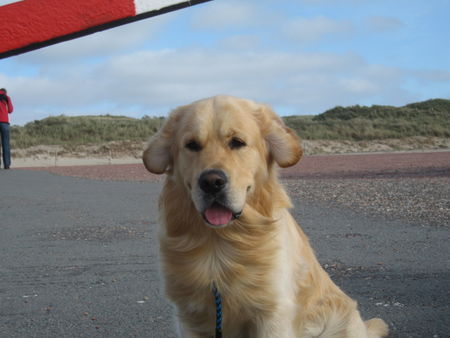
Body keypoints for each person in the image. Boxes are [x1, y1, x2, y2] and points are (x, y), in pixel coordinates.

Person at [0, 88, 13, 169]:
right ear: (5, 92)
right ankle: (7, 164)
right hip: (4, 122)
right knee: (6, 144)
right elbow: (10, 110)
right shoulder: (7, 97)